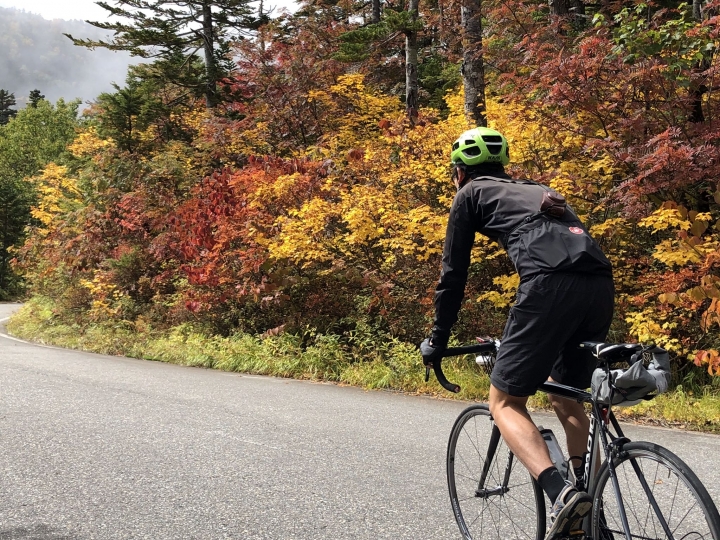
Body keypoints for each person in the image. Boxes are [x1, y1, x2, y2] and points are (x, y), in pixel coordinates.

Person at [420, 127, 614, 540]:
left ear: (459, 171)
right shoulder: (538, 189)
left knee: (504, 402)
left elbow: (452, 276)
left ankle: (563, 496)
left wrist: (438, 339)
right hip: (598, 282)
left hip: (547, 283)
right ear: (503, 165)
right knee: (566, 394)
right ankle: (587, 507)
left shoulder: (469, 194)